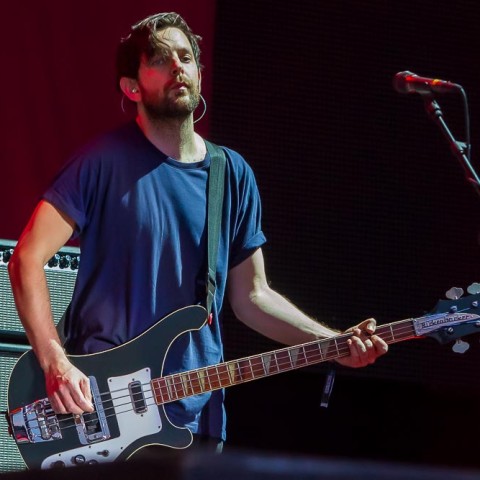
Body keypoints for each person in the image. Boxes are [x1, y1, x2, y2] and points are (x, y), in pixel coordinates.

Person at [8, 12, 388, 454]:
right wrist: (55, 361)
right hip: (99, 407)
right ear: (132, 87)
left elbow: (252, 298)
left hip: (196, 416)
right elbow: (27, 260)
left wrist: (331, 345)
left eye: (186, 58)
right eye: (161, 60)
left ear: (200, 75)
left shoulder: (230, 175)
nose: (178, 67)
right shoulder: (101, 163)